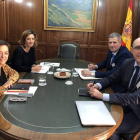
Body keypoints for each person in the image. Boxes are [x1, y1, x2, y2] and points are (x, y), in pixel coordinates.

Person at [87, 37, 140, 140]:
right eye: (138, 48)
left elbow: (135, 98)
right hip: (123, 106)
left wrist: (102, 96)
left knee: (109, 128)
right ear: (132, 50)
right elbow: (112, 78)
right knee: (95, 115)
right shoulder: (127, 63)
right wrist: (97, 85)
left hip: (137, 115)